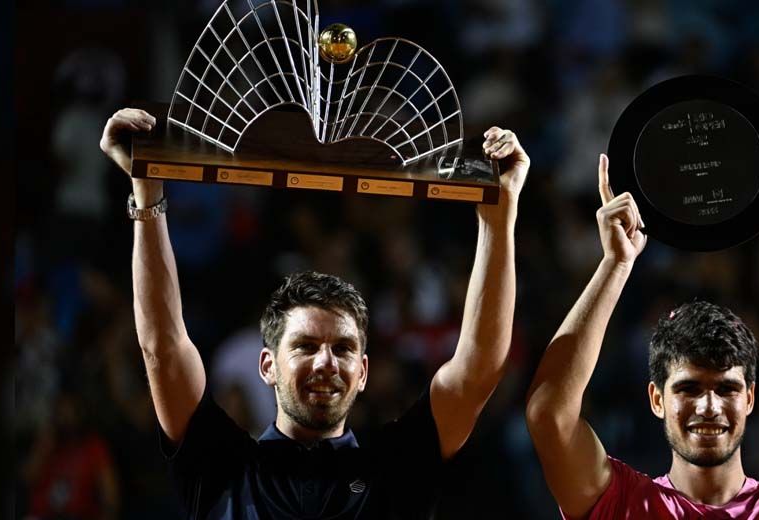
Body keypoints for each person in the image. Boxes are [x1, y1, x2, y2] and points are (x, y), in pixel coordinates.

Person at [99, 108, 529, 519]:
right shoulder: (223, 466)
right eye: (305, 346)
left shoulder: (396, 467)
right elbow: (163, 348)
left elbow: (479, 365)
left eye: (342, 349)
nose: (326, 362)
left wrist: (500, 217)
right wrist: (146, 194)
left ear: (362, 372)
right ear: (267, 365)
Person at [525, 148, 759, 519]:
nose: (709, 406)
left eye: (726, 388)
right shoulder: (621, 503)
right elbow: (549, 414)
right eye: (689, 388)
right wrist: (615, 264)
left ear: (749, 398)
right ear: (656, 398)